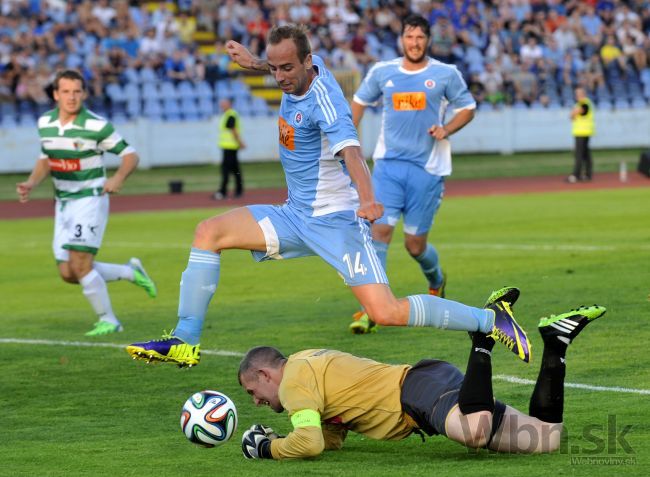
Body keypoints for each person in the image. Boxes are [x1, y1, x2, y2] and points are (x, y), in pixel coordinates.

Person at [125, 25, 528, 368]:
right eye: (276, 67)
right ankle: (184, 341)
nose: (280, 76)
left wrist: (368, 200)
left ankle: (490, 319)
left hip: (336, 221)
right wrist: (255, 63)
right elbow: (282, 66)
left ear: (307, 62)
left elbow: (352, 152)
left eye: (287, 68)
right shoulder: (301, 72)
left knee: (384, 312)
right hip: (294, 215)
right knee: (208, 231)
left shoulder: (326, 104)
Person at [237, 301, 607, 460]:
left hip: (416, 391)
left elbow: (311, 443)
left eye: (253, 391)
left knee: (474, 431)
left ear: (266, 374)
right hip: (427, 385)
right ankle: (556, 342)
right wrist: (283, 437)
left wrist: (267, 449)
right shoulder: (305, 363)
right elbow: (330, 439)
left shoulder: (293, 384)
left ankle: (482, 337)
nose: (256, 401)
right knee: (547, 438)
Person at [349, 14, 476, 334]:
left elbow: (468, 107)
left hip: (427, 171)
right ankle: (371, 307)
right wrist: (346, 139)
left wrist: (446, 128)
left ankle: (437, 280)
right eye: (409, 37)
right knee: (379, 233)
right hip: (388, 167)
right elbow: (359, 102)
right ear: (401, 39)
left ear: (428, 40)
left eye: (420, 37)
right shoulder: (383, 72)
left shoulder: (446, 74)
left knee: (415, 246)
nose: (414, 43)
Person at [16, 69, 157, 336]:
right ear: (56, 94)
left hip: (91, 199)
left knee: (80, 264)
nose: (71, 97)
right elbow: (46, 158)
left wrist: (118, 178)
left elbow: (130, 155)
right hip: (63, 203)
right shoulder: (45, 122)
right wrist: (32, 182)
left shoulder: (96, 126)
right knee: (68, 272)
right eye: (66, 91)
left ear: (84, 93)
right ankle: (129, 272)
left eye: (76, 91)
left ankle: (109, 320)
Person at [214, 98, 245, 200]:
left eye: (224, 103)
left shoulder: (230, 115)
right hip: (228, 146)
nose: (222, 105)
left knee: (226, 170)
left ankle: (223, 192)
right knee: (235, 170)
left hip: (229, 147)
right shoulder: (227, 114)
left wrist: (240, 143)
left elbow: (233, 130)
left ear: (229, 104)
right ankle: (239, 190)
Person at [567, 86, 595, 183]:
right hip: (583, 132)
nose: (577, 96)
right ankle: (587, 174)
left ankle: (576, 174)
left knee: (579, 154)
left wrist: (573, 113)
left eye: (578, 94)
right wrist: (573, 114)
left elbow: (573, 114)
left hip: (582, 132)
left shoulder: (585, 103)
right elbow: (572, 116)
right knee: (585, 154)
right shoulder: (581, 104)